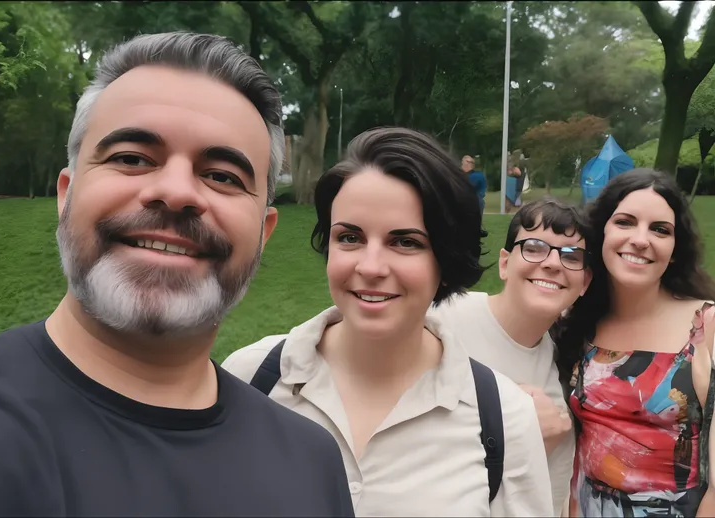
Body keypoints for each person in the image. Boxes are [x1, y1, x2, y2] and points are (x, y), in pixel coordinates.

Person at [0, 32, 354, 517]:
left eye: (222, 175)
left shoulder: (313, 466)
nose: (176, 192)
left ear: (263, 233)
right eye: (131, 158)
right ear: (66, 195)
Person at [222, 127, 554, 516]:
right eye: (349, 238)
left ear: (446, 262)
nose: (371, 266)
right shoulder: (248, 380)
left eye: (405, 242)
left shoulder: (503, 418)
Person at [553, 168, 715, 517]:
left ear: (674, 250)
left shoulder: (707, 327)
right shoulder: (576, 322)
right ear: (600, 235)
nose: (641, 239)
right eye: (625, 222)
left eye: (660, 229)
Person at [429, 197, 593, 516]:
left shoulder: (561, 364)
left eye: (572, 255)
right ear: (505, 263)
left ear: (584, 282)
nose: (553, 263)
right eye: (533, 247)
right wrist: (525, 437)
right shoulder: (440, 322)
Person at [462, 154, 488, 237]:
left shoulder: (478, 176)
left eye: (470, 162)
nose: (467, 164)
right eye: (465, 162)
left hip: (474, 200)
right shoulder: (458, 174)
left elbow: (470, 187)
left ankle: (476, 228)